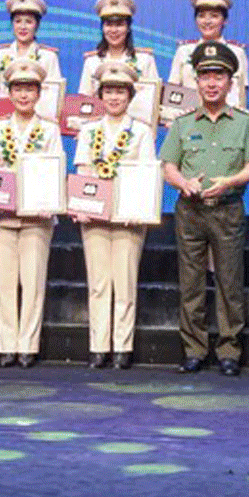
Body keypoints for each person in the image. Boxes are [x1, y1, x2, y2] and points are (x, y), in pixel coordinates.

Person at [161, 41, 249, 376]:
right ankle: (193, 350)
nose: (211, 82)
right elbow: (169, 167)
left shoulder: (246, 123)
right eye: (205, 75)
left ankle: (229, 351)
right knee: (190, 282)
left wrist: (232, 181)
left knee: (229, 282)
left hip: (227, 208)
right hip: (190, 210)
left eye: (218, 75)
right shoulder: (182, 124)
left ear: (230, 82)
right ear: (196, 81)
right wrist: (183, 183)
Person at [72, 60, 156, 369]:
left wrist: (138, 209)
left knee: (124, 282)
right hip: (94, 216)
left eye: (120, 91)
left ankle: (122, 346)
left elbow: (145, 174)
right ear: (100, 94)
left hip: (127, 217)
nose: (114, 97)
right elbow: (82, 170)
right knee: (98, 282)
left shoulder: (141, 132)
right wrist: (81, 207)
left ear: (130, 95)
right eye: (108, 91)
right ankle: (98, 346)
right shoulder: (88, 130)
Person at [0, 58, 63, 367]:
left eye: (29, 89)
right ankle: (7, 344)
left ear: (39, 93)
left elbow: (54, 171)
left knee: (32, 282)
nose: (23, 95)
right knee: (4, 283)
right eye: (18, 88)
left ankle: (28, 344)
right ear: (9, 92)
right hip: (2, 216)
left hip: (37, 217)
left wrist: (48, 201)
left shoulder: (50, 129)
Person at [167, 0, 249, 110]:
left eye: (214, 16)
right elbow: (172, 94)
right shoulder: (184, 51)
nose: (207, 21)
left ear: (225, 21)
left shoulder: (237, 53)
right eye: (201, 16)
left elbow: (241, 98)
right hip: (189, 121)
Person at [0, 0, 62, 97]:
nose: (23, 27)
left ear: (37, 25)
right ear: (12, 24)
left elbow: (53, 96)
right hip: (4, 113)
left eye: (29, 22)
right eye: (18, 21)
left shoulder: (49, 57)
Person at [78, 0, 160, 96]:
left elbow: (154, 99)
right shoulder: (92, 62)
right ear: (102, 28)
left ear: (128, 28)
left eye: (119, 25)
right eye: (109, 25)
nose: (114, 30)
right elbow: (85, 100)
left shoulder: (144, 60)